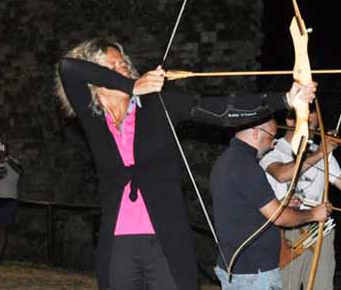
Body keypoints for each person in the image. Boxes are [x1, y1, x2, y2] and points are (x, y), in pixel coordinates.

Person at [54, 37, 317, 290]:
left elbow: (220, 110)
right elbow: (68, 67)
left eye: (124, 64)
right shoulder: (95, 120)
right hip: (118, 246)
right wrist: (132, 86)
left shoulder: (158, 106)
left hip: (165, 241)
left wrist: (283, 100)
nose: (122, 67)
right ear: (95, 82)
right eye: (111, 66)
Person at [210, 115, 333, 290]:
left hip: (235, 267)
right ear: (255, 133)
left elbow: (243, 208)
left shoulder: (225, 160)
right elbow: (279, 217)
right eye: (271, 136)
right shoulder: (246, 166)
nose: (273, 143)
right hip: (253, 272)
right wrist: (314, 214)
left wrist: (280, 203)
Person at [259, 108, 341, 290]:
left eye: (314, 124)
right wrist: (322, 152)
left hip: (321, 228)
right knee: (286, 286)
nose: (312, 127)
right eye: (307, 122)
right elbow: (282, 175)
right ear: (290, 122)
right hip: (287, 229)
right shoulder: (273, 149)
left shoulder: (319, 151)